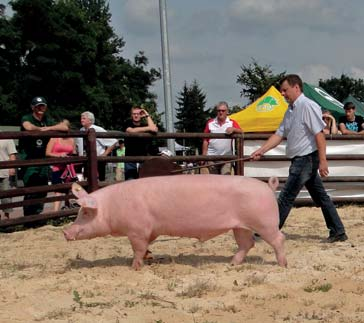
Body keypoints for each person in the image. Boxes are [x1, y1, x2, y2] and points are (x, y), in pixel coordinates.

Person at [251, 74, 347, 243]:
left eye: (285, 90)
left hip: (306, 158)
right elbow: (279, 134)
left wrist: (323, 160)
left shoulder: (308, 106)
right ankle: (338, 231)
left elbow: (319, 134)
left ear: (296, 88)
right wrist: (261, 150)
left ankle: (270, 231)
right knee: (321, 197)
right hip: (302, 159)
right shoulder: (290, 110)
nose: (282, 94)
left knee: (286, 196)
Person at [18, 96, 69, 217]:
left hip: (43, 160)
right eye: (38, 106)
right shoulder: (27, 117)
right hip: (29, 160)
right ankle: (28, 218)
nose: (41, 108)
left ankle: (38, 215)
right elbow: (28, 127)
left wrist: (49, 128)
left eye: (43, 106)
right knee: (31, 188)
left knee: (43, 188)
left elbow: (65, 127)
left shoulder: (47, 120)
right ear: (33, 107)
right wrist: (41, 130)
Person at [202, 101, 242, 175]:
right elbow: (205, 140)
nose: (221, 112)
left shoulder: (232, 122)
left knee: (226, 179)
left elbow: (241, 132)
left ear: (227, 112)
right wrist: (204, 157)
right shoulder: (210, 123)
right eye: (219, 110)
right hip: (212, 158)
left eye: (223, 111)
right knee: (214, 181)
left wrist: (234, 129)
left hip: (226, 158)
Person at [46, 120, 76, 211]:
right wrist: (59, 155)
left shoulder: (71, 139)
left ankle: (67, 209)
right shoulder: (54, 138)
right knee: (58, 191)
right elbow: (47, 153)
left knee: (70, 189)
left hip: (69, 168)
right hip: (57, 167)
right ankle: (56, 213)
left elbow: (74, 152)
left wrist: (72, 156)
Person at [79, 111, 117, 181]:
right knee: (87, 180)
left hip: (98, 160)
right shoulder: (81, 130)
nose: (81, 120)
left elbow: (113, 141)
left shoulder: (98, 129)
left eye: (84, 118)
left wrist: (104, 154)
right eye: (81, 118)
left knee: (99, 180)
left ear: (90, 120)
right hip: (85, 159)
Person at [123, 106, 158, 180]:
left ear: (141, 115)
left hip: (143, 158)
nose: (136, 115)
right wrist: (148, 128)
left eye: (138, 114)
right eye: (134, 114)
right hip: (130, 158)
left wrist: (147, 115)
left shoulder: (144, 125)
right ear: (131, 115)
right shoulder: (127, 123)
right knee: (130, 182)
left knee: (144, 181)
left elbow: (154, 129)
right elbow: (131, 131)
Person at [0, 137, 17, 219]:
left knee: (6, 196)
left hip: (5, 172)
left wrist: (12, 167)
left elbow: (12, 154)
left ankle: (7, 218)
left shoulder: (7, 138)